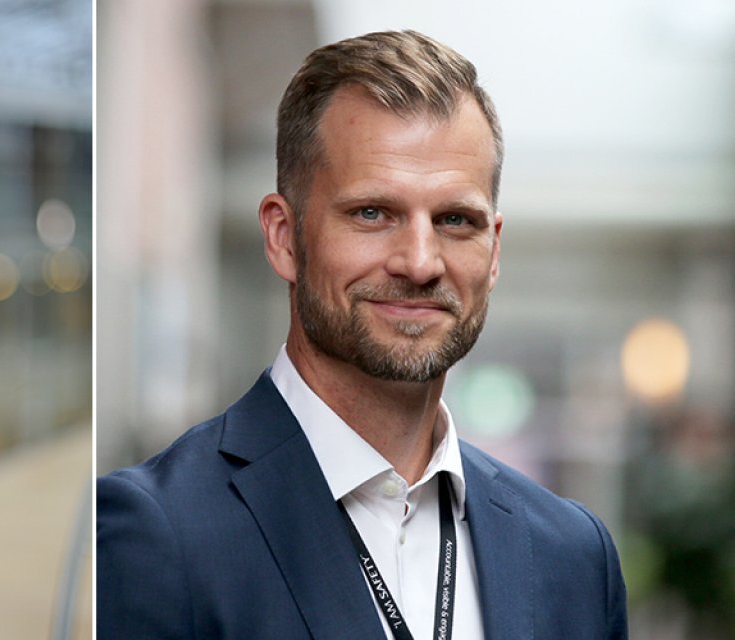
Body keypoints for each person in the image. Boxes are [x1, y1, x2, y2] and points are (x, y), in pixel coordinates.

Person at [97, 30, 627, 639]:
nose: (421, 262)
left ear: (494, 249)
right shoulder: (156, 534)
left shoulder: (572, 557)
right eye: (373, 213)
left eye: (456, 220)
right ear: (282, 237)